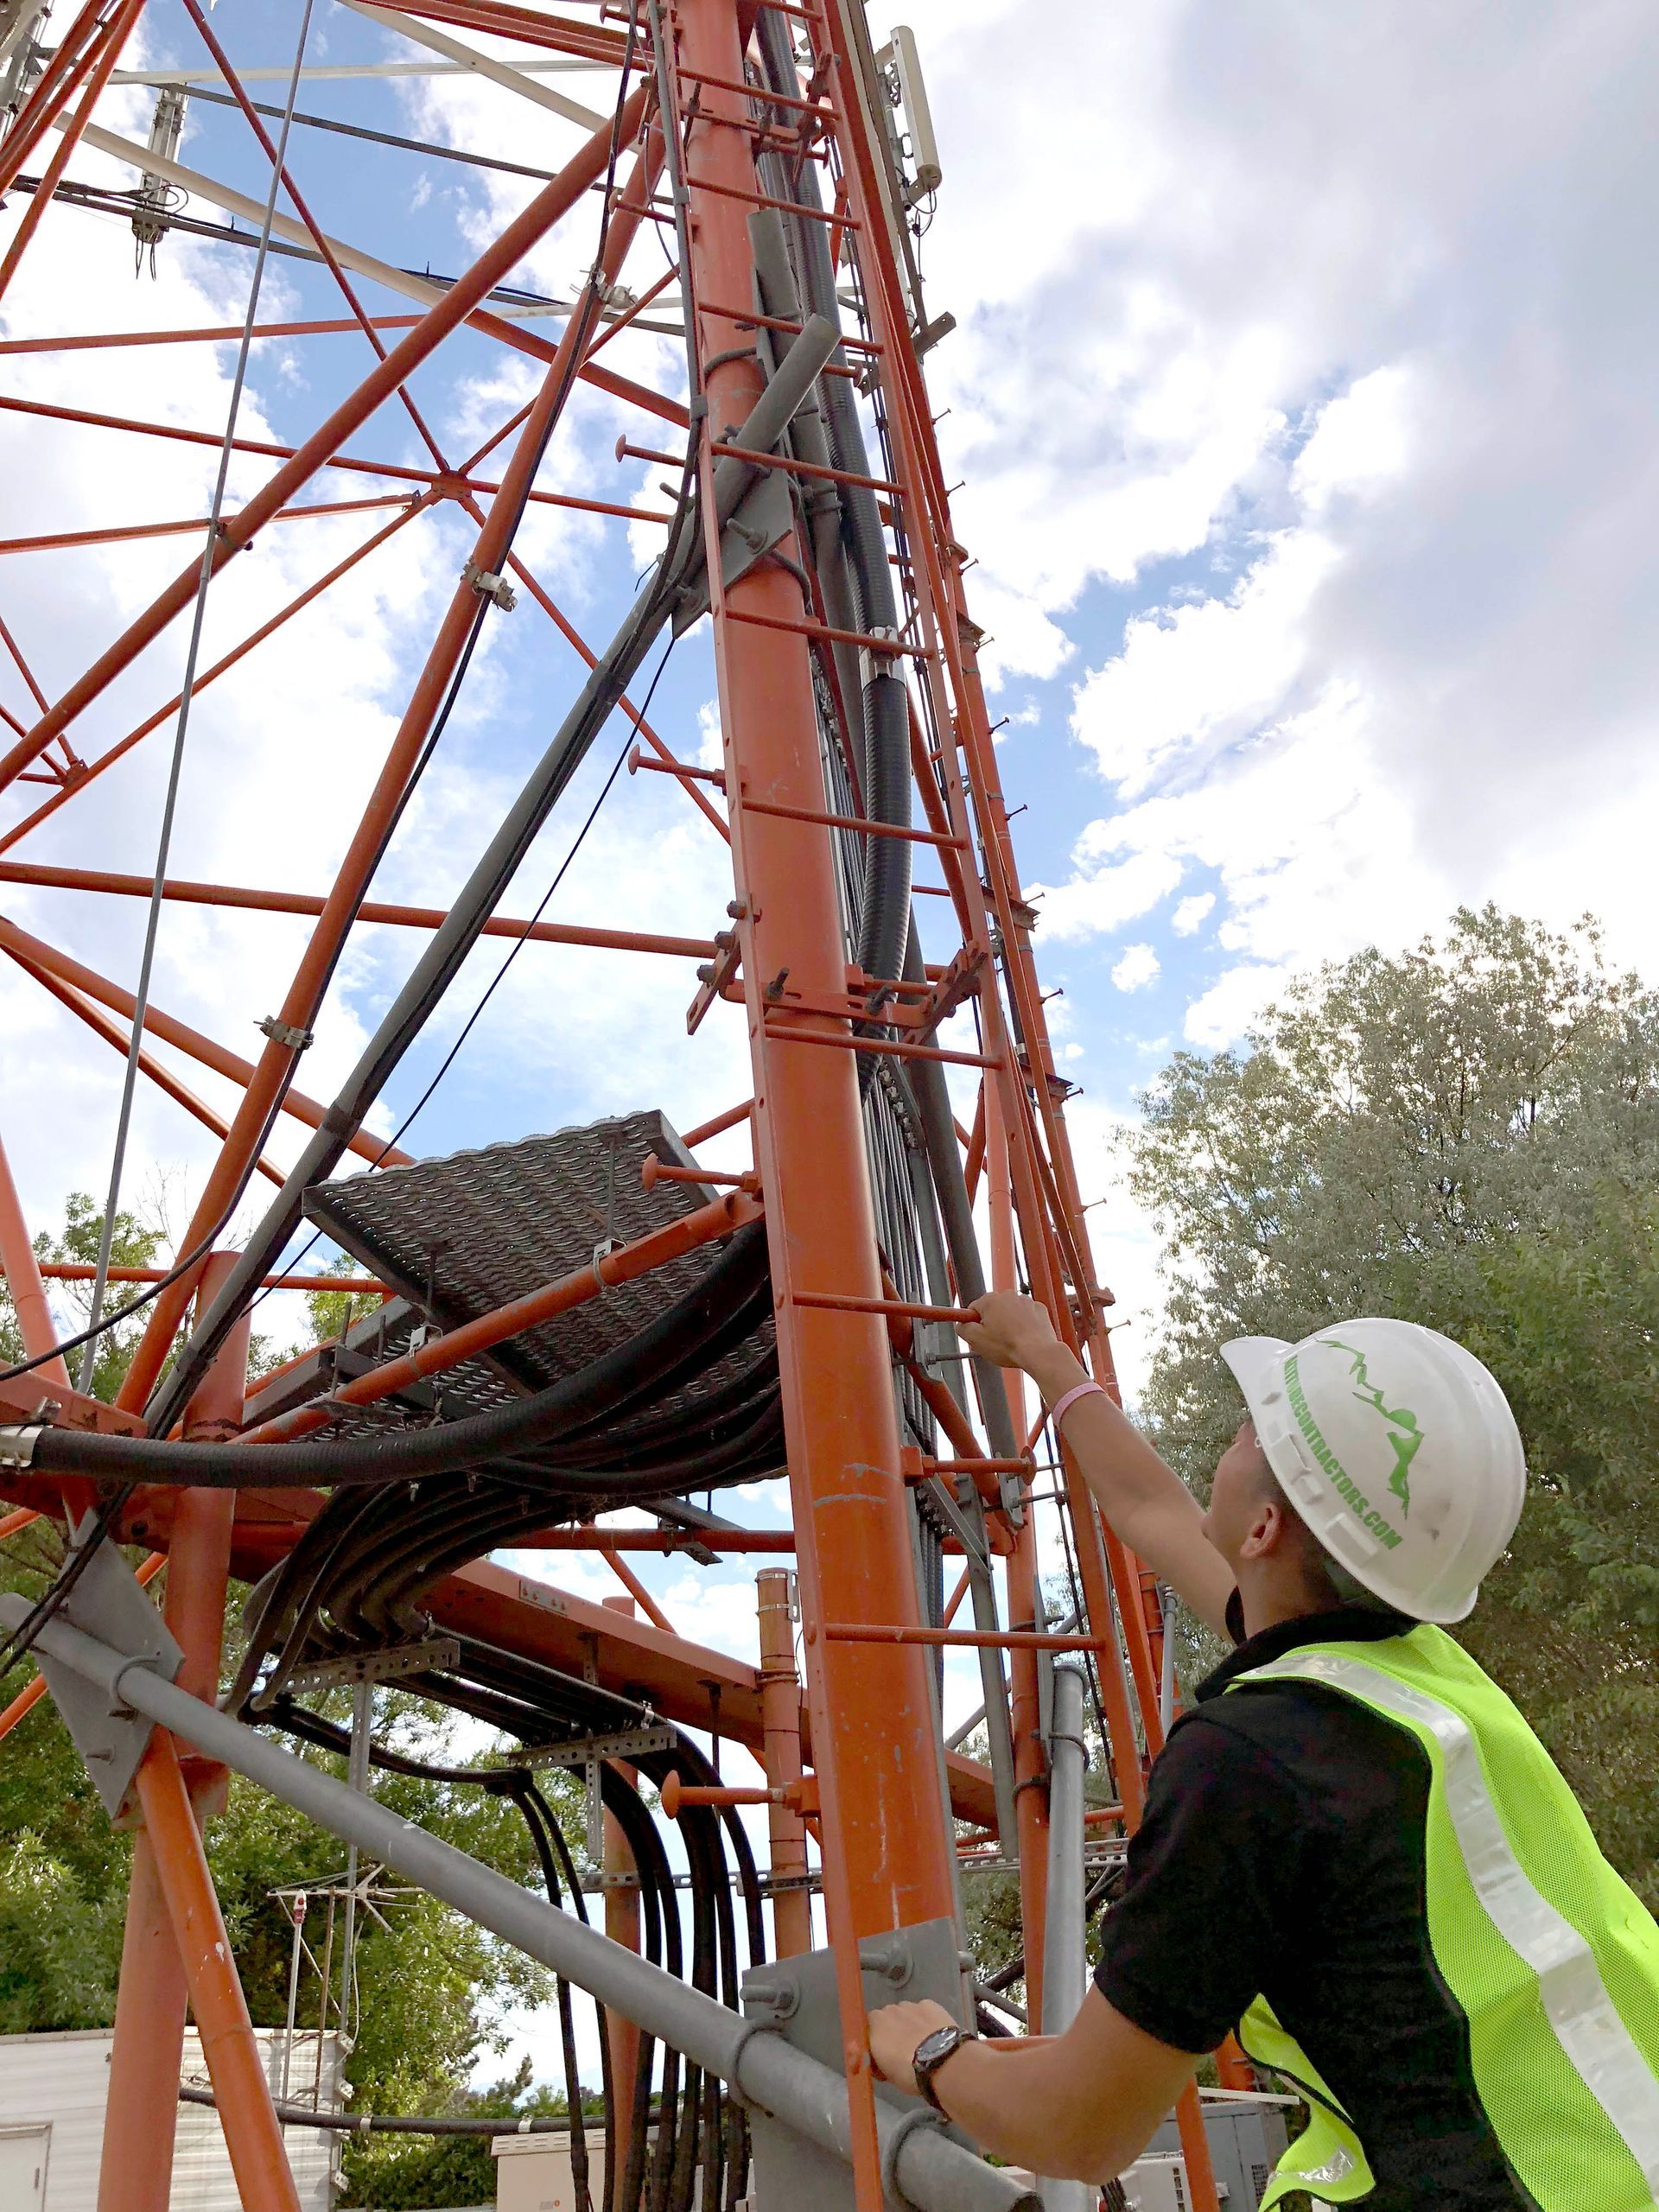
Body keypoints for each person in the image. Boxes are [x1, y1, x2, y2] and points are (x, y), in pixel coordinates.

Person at [866, 1292, 1659, 2209]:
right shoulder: (1416, 1675)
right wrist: (1046, 1358)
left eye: (1253, 1432)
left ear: (1264, 1529)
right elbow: (1150, 1508)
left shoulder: (1249, 1764)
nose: (1234, 1436)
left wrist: (928, 2052)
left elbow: (1081, 2129)